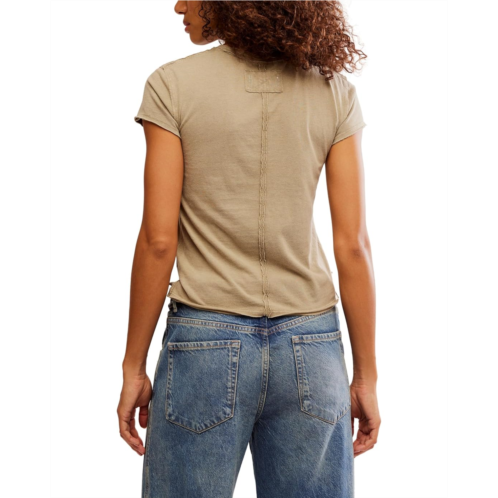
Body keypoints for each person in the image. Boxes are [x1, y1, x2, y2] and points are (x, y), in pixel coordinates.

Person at [118, 1, 381, 496]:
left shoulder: (172, 85)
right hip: (312, 347)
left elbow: (158, 241)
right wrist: (365, 376)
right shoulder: (334, 92)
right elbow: (353, 246)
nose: (178, 5)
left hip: (204, 342)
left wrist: (133, 367)